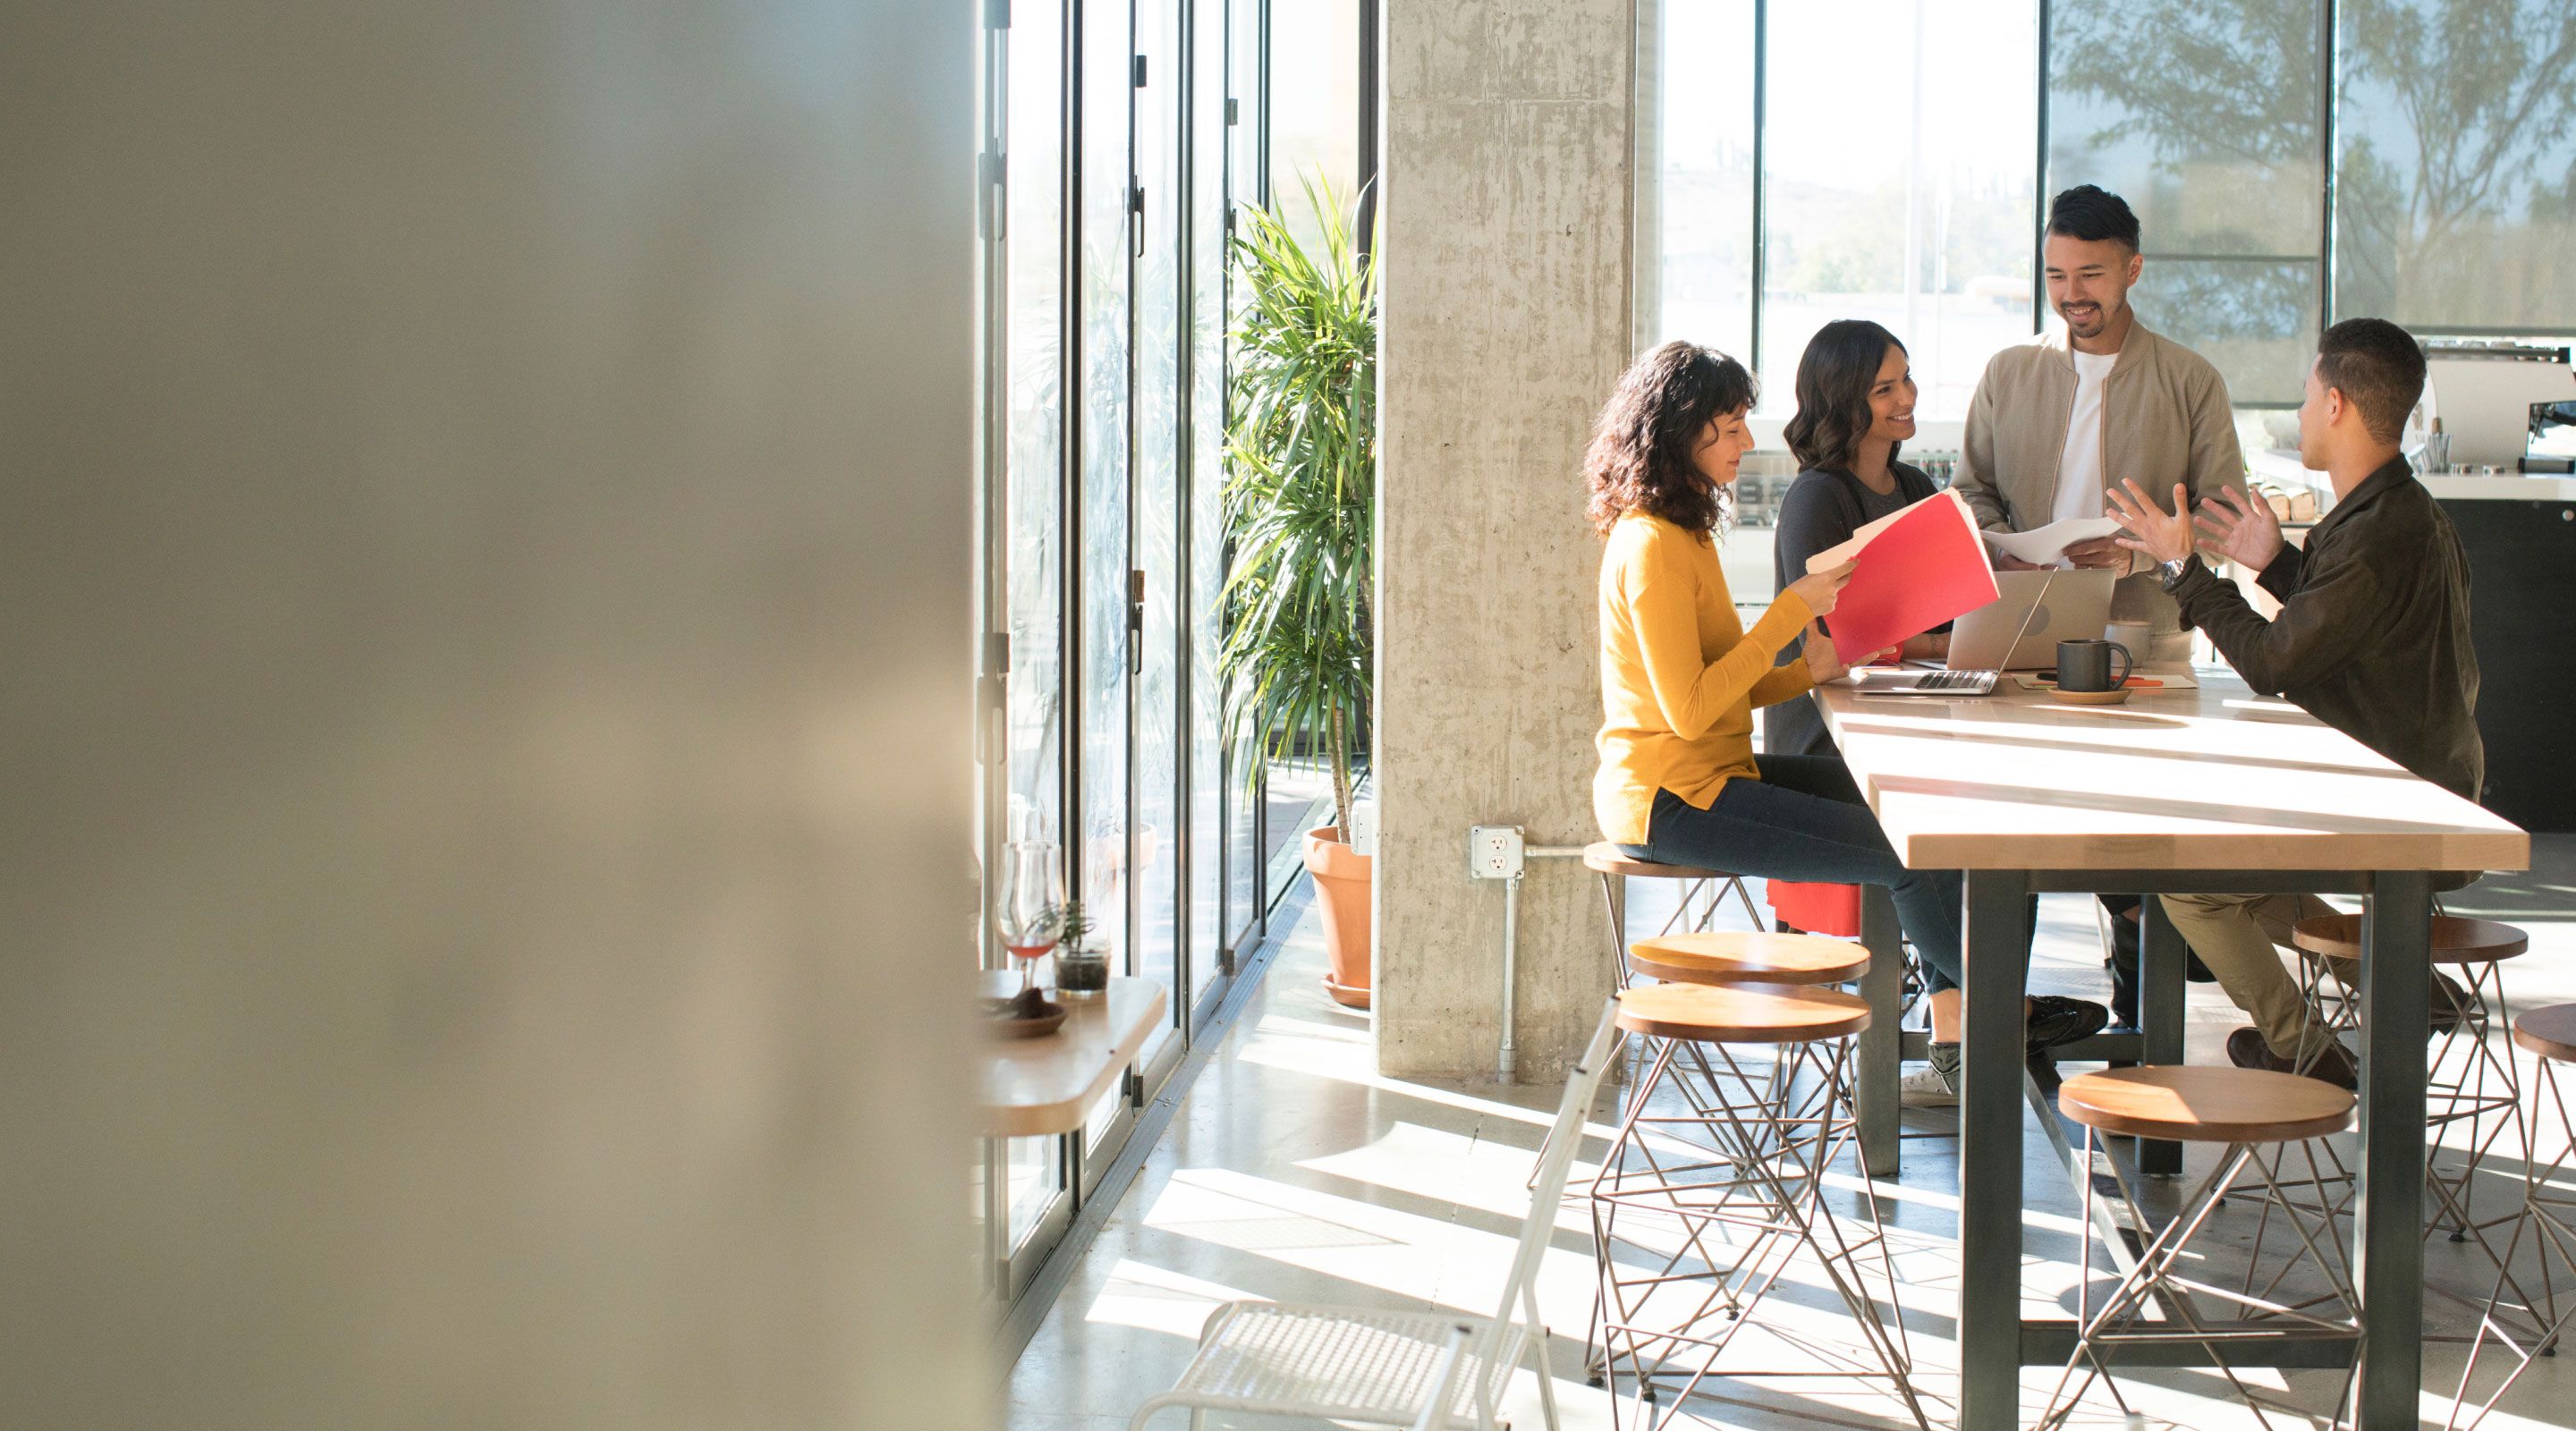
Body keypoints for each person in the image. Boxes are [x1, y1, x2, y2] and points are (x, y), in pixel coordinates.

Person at [1588, 341, 2107, 1098]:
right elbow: (1691, 709)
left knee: (1919, 813)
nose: (1746, 442)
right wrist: (1791, 612)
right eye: (1729, 428)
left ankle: (1983, 1009)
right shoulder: (1653, 545)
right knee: (1901, 851)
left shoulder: (1685, 536)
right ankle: (1999, 1010)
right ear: (1679, 433)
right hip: (1670, 799)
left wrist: (1808, 670)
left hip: (1711, 773)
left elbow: (1719, 690)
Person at [2109, 317, 2482, 1089]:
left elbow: (2274, 662)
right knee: (2242, 875)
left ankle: (2302, 1050)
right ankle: (2401, 981)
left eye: (2309, 397)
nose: (2304, 414)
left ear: (2338, 403)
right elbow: (2349, 634)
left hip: (2393, 802)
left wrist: (2186, 569)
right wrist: (2276, 562)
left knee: (2191, 883)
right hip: (2422, 781)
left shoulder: (2379, 533)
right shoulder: (2404, 515)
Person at [1947, 182, 2239, 1031]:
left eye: (2092, 274)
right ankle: (2003, 1018)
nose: (2074, 292)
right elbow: (1970, 495)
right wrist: (2014, 542)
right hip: (2021, 632)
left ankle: (2145, 1043)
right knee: (2010, 836)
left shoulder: (2190, 379)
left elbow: (2223, 518)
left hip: (2141, 640)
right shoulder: (2010, 373)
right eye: (2057, 273)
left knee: (2138, 845)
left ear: (2133, 270)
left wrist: (2145, 547)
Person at [1764, 320, 1950, 759]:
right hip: (1827, 739)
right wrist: (1941, 646)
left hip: (1902, 712)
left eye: (1906, 378)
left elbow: (1949, 610)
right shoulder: (1816, 498)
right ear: (1844, 402)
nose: (1906, 397)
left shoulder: (1916, 487)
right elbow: (1838, 638)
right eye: (1884, 390)